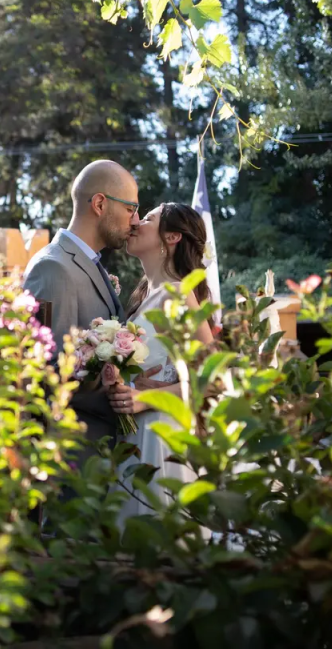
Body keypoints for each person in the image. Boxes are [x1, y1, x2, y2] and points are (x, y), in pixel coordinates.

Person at [23, 160, 155, 461]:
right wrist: (126, 392)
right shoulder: (54, 268)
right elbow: (50, 374)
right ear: (99, 204)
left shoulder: (86, 264)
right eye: (130, 209)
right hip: (73, 455)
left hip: (98, 451)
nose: (135, 221)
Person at [105, 203, 215, 524]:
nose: (136, 222)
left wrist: (144, 398)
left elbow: (211, 378)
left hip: (159, 436)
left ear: (172, 237)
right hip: (133, 436)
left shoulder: (178, 294)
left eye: (149, 218)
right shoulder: (143, 299)